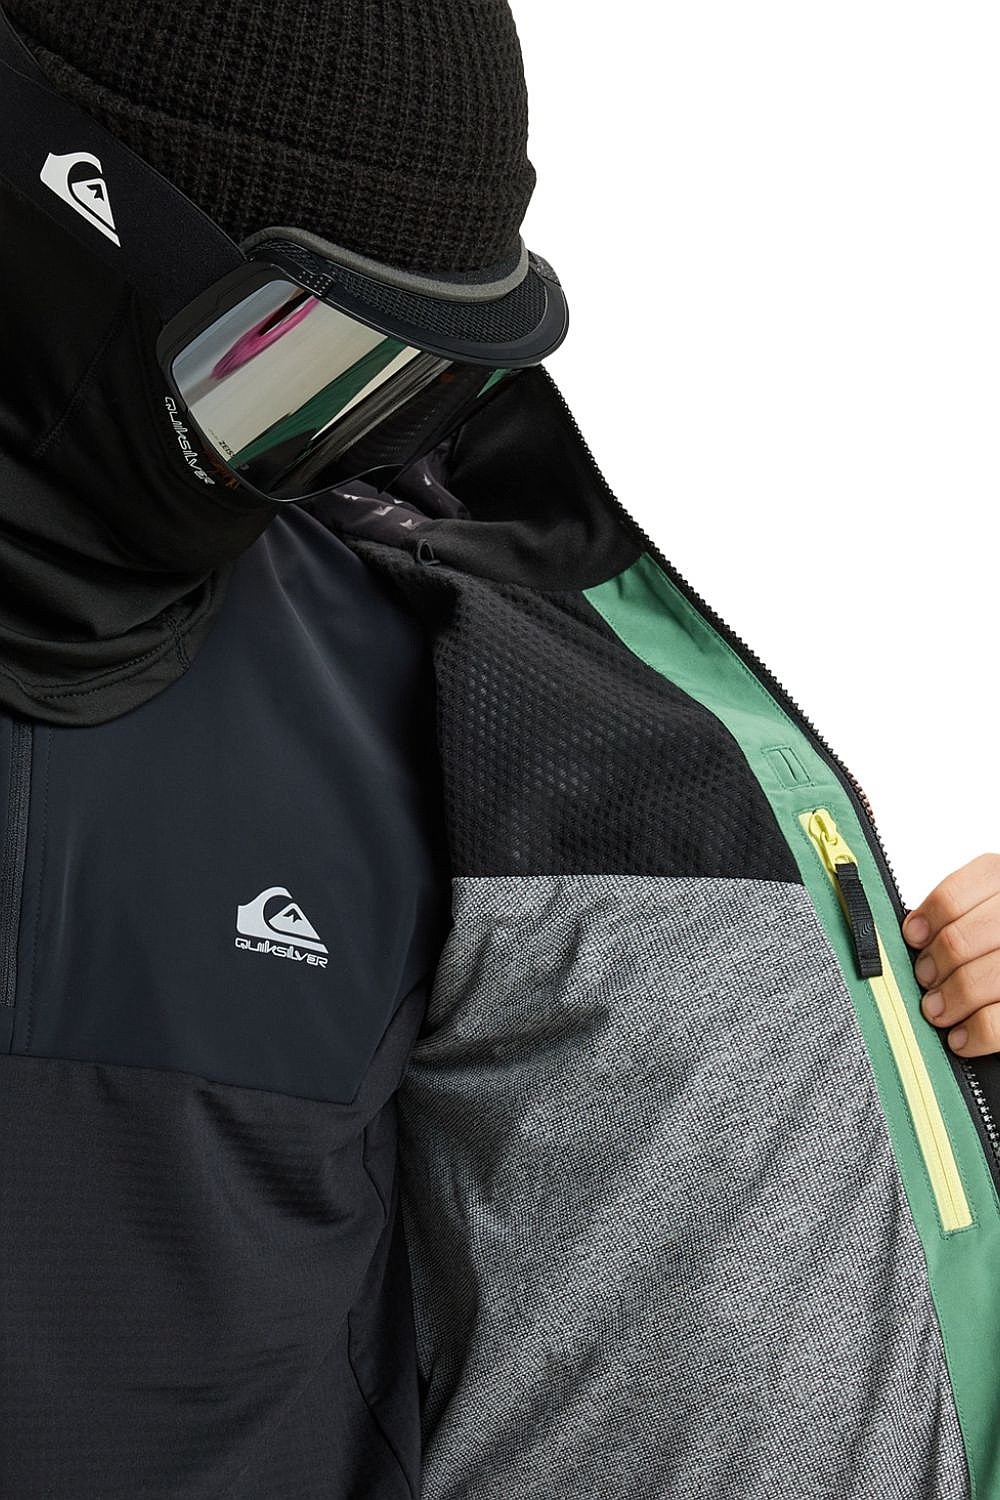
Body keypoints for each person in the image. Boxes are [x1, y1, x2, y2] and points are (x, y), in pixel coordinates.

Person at [2, 3, 1000, 1498]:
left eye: (400, 396)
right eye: (287, 372)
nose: (327, 465)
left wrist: (958, 1076)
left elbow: (725, 1312)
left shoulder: (443, 680)